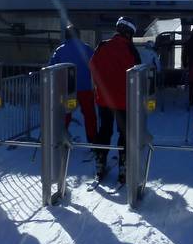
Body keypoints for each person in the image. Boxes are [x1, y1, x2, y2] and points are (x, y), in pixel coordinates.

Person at [89, 16, 141, 183]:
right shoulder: (131, 50)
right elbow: (137, 73)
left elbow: (92, 65)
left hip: (104, 100)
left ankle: (100, 161)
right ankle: (124, 164)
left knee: (104, 130)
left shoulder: (102, 46)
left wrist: (100, 85)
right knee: (125, 132)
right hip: (124, 101)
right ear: (130, 33)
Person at [49, 24, 97, 143]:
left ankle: (61, 138)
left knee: (65, 114)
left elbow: (51, 67)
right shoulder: (87, 48)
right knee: (89, 115)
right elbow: (96, 65)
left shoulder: (60, 50)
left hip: (67, 90)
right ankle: (93, 141)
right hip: (85, 88)